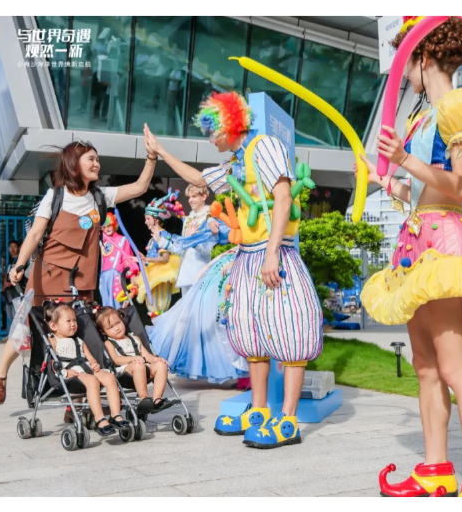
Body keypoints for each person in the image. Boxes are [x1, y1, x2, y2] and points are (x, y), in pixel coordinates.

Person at [359, 17, 462, 497]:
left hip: (444, 243)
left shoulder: (459, 106)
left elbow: (460, 188)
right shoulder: (425, 118)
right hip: (417, 244)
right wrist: (388, 180)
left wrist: (404, 160)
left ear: (422, 57)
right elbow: (428, 189)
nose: (403, 75)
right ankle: (435, 470)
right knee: (425, 365)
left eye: (406, 63)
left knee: (454, 369)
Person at [143, 91, 323, 449]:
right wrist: (161, 152)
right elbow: (200, 179)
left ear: (228, 125)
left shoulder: (264, 147)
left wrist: (272, 253)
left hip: (274, 255)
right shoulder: (236, 163)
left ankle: (288, 419)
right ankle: (259, 411)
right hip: (248, 257)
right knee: (252, 333)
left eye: (213, 132)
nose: (211, 139)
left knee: (290, 330)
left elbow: (283, 197)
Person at [0, 137, 157, 405]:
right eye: (91, 158)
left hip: (81, 280)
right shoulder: (55, 196)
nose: (97, 163)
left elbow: (140, 187)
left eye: (97, 159)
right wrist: (19, 264)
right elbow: (35, 234)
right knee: (28, 330)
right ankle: (1, 373)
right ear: (74, 164)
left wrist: (151, 157)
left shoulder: (100, 197)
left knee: (79, 334)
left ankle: (75, 403)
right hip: (48, 276)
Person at [148, 245, 249, 385]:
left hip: (238, 261)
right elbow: (183, 246)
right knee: (197, 319)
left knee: (224, 316)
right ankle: (236, 371)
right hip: (212, 269)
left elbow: (206, 246)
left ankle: (244, 372)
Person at [44, 302, 129, 436]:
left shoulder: (79, 341)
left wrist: (94, 364)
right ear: (54, 326)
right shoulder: (53, 340)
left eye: (74, 320)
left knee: (109, 377)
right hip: (71, 373)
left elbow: (90, 358)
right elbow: (53, 362)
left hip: (87, 369)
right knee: (92, 381)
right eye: (68, 321)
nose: (73, 324)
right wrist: (65, 372)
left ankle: (115, 415)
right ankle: (100, 419)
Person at [96, 307, 170, 416]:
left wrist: (155, 359)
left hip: (143, 368)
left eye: (118, 323)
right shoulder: (109, 343)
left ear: (122, 320)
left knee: (161, 365)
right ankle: (144, 398)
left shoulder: (134, 338)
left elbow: (146, 355)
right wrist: (132, 359)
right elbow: (116, 360)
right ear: (104, 331)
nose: (117, 328)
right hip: (125, 373)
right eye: (111, 327)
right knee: (138, 365)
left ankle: (156, 399)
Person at [153, 184, 220, 296]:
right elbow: (182, 250)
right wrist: (162, 242)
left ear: (204, 196)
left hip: (200, 275)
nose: (190, 200)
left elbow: (208, 252)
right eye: (189, 197)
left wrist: (192, 241)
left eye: (194, 196)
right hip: (185, 276)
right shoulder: (188, 220)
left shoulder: (210, 220)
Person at [133, 190, 183, 317]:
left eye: (148, 219)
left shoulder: (162, 235)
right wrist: (142, 260)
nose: (146, 222)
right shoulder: (152, 237)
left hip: (160, 276)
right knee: (152, 311)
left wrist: (147, 259)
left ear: (156, 219)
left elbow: (165, 258)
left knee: (159, 309)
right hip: (151, 274)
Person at [99, 212, 139, 308]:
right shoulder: (101, 242)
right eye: (104, 227)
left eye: (109, 226)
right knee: (106, 306)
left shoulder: (122, 240)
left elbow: (127, 259)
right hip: (103, 277)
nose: (107, 229)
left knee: (118, 304)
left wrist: (132, 276)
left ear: (114, 225)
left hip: (117, 276)